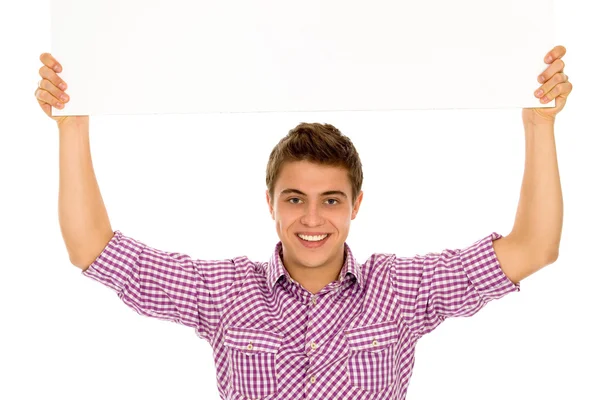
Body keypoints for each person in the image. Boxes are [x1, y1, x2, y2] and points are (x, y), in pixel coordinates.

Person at [35, 46, 573, 400]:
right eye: (294, 199)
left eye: (331, 200)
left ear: (356, 204)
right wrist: (73, 123)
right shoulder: (225, 292)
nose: (312, 219)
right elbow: (93, 249)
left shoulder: (402, 289)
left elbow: (534, 247)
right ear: (269, 203)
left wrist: (538, 122)